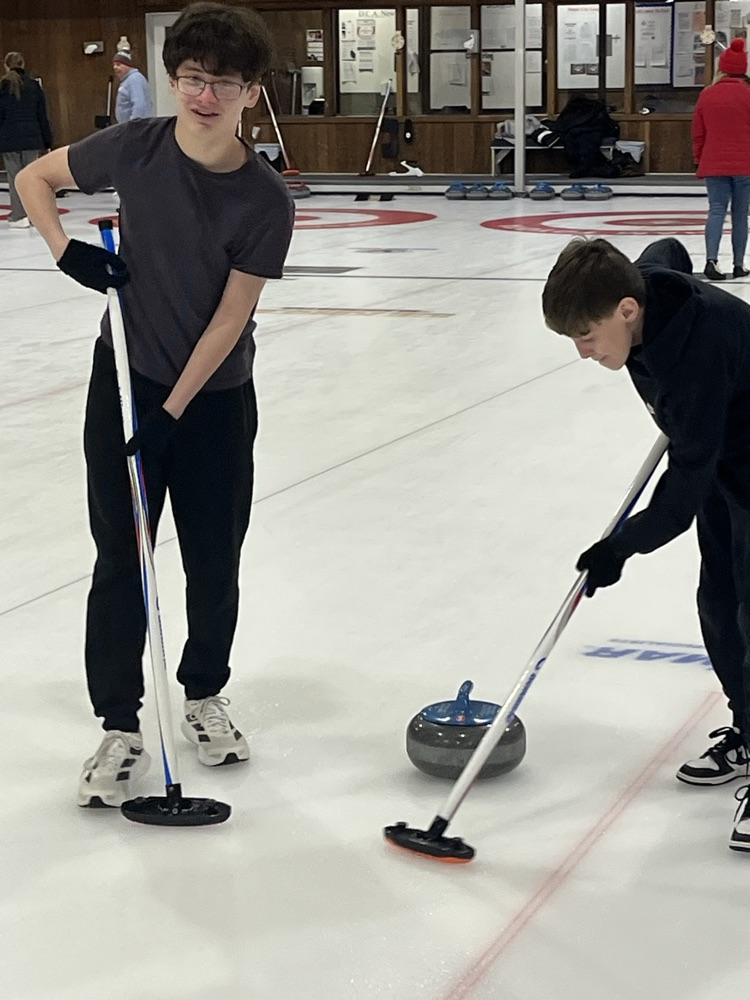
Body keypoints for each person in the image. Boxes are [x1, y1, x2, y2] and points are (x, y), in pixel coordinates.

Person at [15, 2, 294, 808]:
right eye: (192, 79)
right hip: (125, 387)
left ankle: (203, 694)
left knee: (213, 557)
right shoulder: (133, 149)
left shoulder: (265, 199)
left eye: (224, 83)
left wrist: (172, 409)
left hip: (212, 401)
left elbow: (233, 316)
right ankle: (120, 724)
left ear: (251, 92)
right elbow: (33, 177)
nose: (204, 96)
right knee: (121, 556)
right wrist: (66, 252)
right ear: (175, 80)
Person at [541, 235, 750, 853]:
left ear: (626, 311)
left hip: (726, 458)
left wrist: (621, 548)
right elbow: (668, 251)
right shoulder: (643, 285)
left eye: (586, 335)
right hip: (726, 459)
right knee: (719, 603)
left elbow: (682, 488)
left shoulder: (696, 353)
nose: (583, 352)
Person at [692, 37, 750, 281]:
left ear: (722, 67)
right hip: (745, 164)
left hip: (714, 162)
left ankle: (711, 261)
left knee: (716, 211)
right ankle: (738, 264)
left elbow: (698, 131)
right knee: (740, 214)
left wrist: (699, 158)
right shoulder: (748, 94)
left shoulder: (708, 94)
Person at [0, 51, 52, 229]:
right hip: (32, 138)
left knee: (15, 179)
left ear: (6, 66)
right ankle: (33, 215)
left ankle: (19, 215)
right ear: (22, 64)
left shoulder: (2, 87)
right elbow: (42, 116)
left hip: (9, 140)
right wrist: (47, 141)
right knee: (31, 179)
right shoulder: (34, 86)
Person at [112, 51, 153, 122]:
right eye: (114, 65)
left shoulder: (134, 79)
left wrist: (133, 126)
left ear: (127, 65)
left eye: (118, 64)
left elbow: (139, 105)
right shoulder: (128, 80)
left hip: (136, 129)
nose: (115, 67)